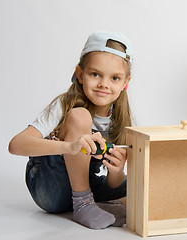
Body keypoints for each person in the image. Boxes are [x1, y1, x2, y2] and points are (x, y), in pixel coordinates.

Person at [8, 31, 134, 229]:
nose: (104, 84)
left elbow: (113, 184)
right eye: (95, 74)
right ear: (80, 74)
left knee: (143, 187)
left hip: (89, 184)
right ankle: (84, 204)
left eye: (115, 78)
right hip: (51, 189)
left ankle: (104, 207)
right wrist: (70, 146)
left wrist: (116, 171)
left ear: (125, 83)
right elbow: (15, 146)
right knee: (80, 116)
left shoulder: (121, 120)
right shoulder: (65, 105)